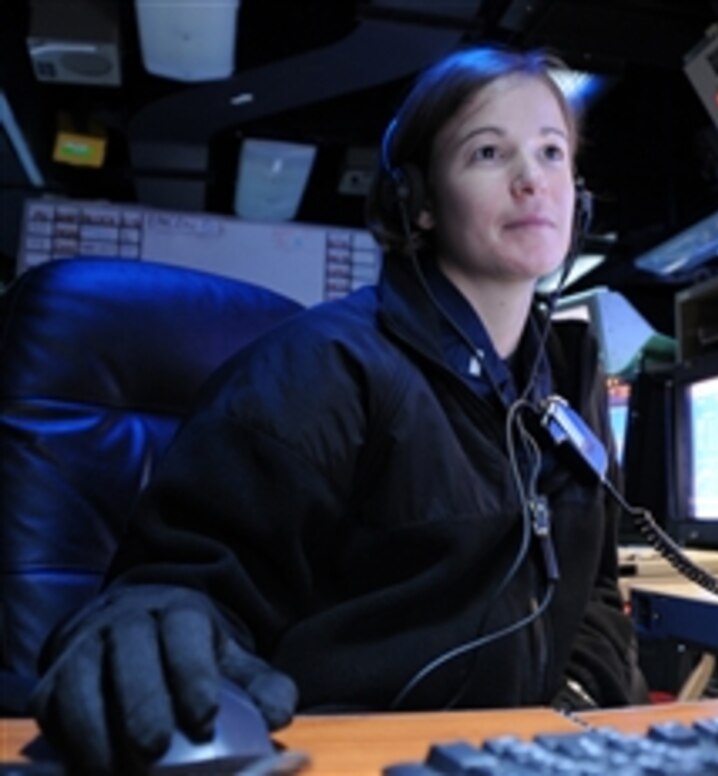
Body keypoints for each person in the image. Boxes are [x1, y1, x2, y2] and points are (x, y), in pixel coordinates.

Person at [29, 44, 647, 774]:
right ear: (417, 199)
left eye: (551, 152)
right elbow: (183, 595)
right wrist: (149, 621)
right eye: (488, 152)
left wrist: (572, 709)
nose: (531, 181)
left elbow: (597, 595)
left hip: (524, 756)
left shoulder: (565, 385)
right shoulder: (318, 368)